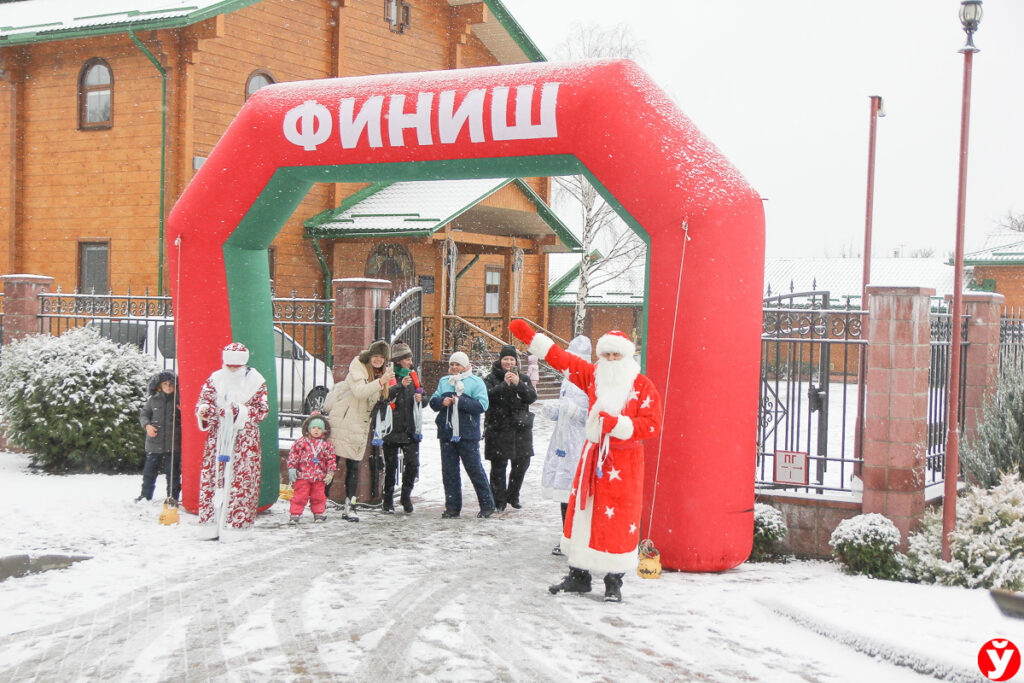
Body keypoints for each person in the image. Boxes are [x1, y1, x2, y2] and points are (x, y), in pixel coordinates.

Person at [510, 320, 663, 603]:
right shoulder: (593, 376)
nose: (611, 360)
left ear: (627, 356)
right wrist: (532, 340)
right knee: (584, 512)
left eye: (616, 355)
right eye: (607, 354)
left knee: (619, 518)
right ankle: (578, 575)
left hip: (625, 461)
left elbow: (652, 424)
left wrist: (619, 425)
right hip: (592, 457)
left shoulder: (642, 386)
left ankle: (613, 581)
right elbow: (562, 360)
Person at [196, 342, 270, 541]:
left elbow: (262, 410)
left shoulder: (256, 381)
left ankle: (235, 528)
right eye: (229, 365)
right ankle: (211, 525)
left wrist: (239, 412)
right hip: (218, 439)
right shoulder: (215, 379)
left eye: (235, 366)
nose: (231, 369)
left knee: (241, 482)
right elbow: (204, 401)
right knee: (213, 479)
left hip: (244, 441)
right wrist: (205, 411)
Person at [324, 339, 393, 522]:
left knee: (354, 466)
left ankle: (350, 505)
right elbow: (360, 392)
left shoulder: (381, 374)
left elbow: (376, 399)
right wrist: (382, 382)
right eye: (375, 356)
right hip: (343, 420)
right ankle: (320, 502)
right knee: (332, 463)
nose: (378, 360)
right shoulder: (358, 366)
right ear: (370, 356)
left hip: (360, 425)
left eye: (382, 358)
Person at [539, 336, 592, 555]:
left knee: (577, 492)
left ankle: (579, 538)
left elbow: (594, 416)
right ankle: (567, 535)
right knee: (564, 490)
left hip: (581, 443)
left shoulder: (590, 382)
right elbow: (565, 410)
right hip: (563, 443)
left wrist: (575, 413)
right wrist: (555, 411)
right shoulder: (567, 380)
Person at [428, 351, 495, 519]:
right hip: (447, 433)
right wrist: (441, 401)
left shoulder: (476, 382)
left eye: (457, 364)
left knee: (474, 470)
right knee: (449, 472)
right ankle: (452, 507)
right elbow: (433, 402)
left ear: (465, 366)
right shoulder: (444, 381)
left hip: (467, 434)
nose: (454, 367)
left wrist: (461, 400)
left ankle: (487, 505)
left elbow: (482, 405)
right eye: (452, 364)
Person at [484, 344, 537, 512]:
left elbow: (531, 397)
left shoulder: (524, 378)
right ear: (500, 360)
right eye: (505, 359)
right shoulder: (491, 378)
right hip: (498, 427)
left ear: (516, 362)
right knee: (498, 465)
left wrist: (518, 383)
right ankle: (498, 500)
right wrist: (504, 385)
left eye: (511, 359)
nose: (508, 362)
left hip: (520, 428)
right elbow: (487, 397)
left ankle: (513, 495)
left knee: (522, 463)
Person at [381, 342, 422, 513]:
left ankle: (406, 496)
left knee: (412, 464)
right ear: (398, 360)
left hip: (410, 429)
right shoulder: (389, 376)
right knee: (391, 467)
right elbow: (384, 397)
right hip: (392, 428)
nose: (411, 362)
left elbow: (422, 395)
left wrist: (421, 398)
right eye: (407, 359)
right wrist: (400, 386)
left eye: (411, 359)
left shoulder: (413, 376)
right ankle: (388, 499)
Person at [137, 370, 182, 503]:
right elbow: (144, 415)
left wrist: (184, 411)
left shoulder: (180, 400)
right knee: (149, 473)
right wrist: (147, 426)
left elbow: (188, 418)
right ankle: (145, 496)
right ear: (159, 386)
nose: (168, 387)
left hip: (173, 444)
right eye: (165, 384)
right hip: (154, 443)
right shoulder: (153, 400)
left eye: (171, 384)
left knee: (172, 473)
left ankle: (172, 497)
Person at [286, 414, 338, 524]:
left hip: (319, 477)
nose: (316, 430)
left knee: (318, 497)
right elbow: (293, 455)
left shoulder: (326, 445)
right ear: (308, 429)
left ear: (324, 430)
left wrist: (330, 472)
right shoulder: (301, 443)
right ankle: (295, 514)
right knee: (299, 496)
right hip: (302, 476)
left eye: (319, 428)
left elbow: (331, 459)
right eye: (313, 428)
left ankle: (318, 513)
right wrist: (292, 468)